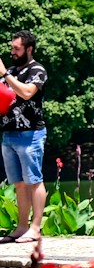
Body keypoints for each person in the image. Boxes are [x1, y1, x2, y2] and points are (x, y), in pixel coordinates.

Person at [0, 32, 49, 243]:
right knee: (19, 183)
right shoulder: (10, 71)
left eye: (17, 49)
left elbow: (27, 93)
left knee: (34, 181)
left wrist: (5, 75)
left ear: (29, 49)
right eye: (12, 48)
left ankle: (35, 228)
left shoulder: (37, 70)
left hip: (31, 134)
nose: (13, 52)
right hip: (8, 133)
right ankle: (21, 227)